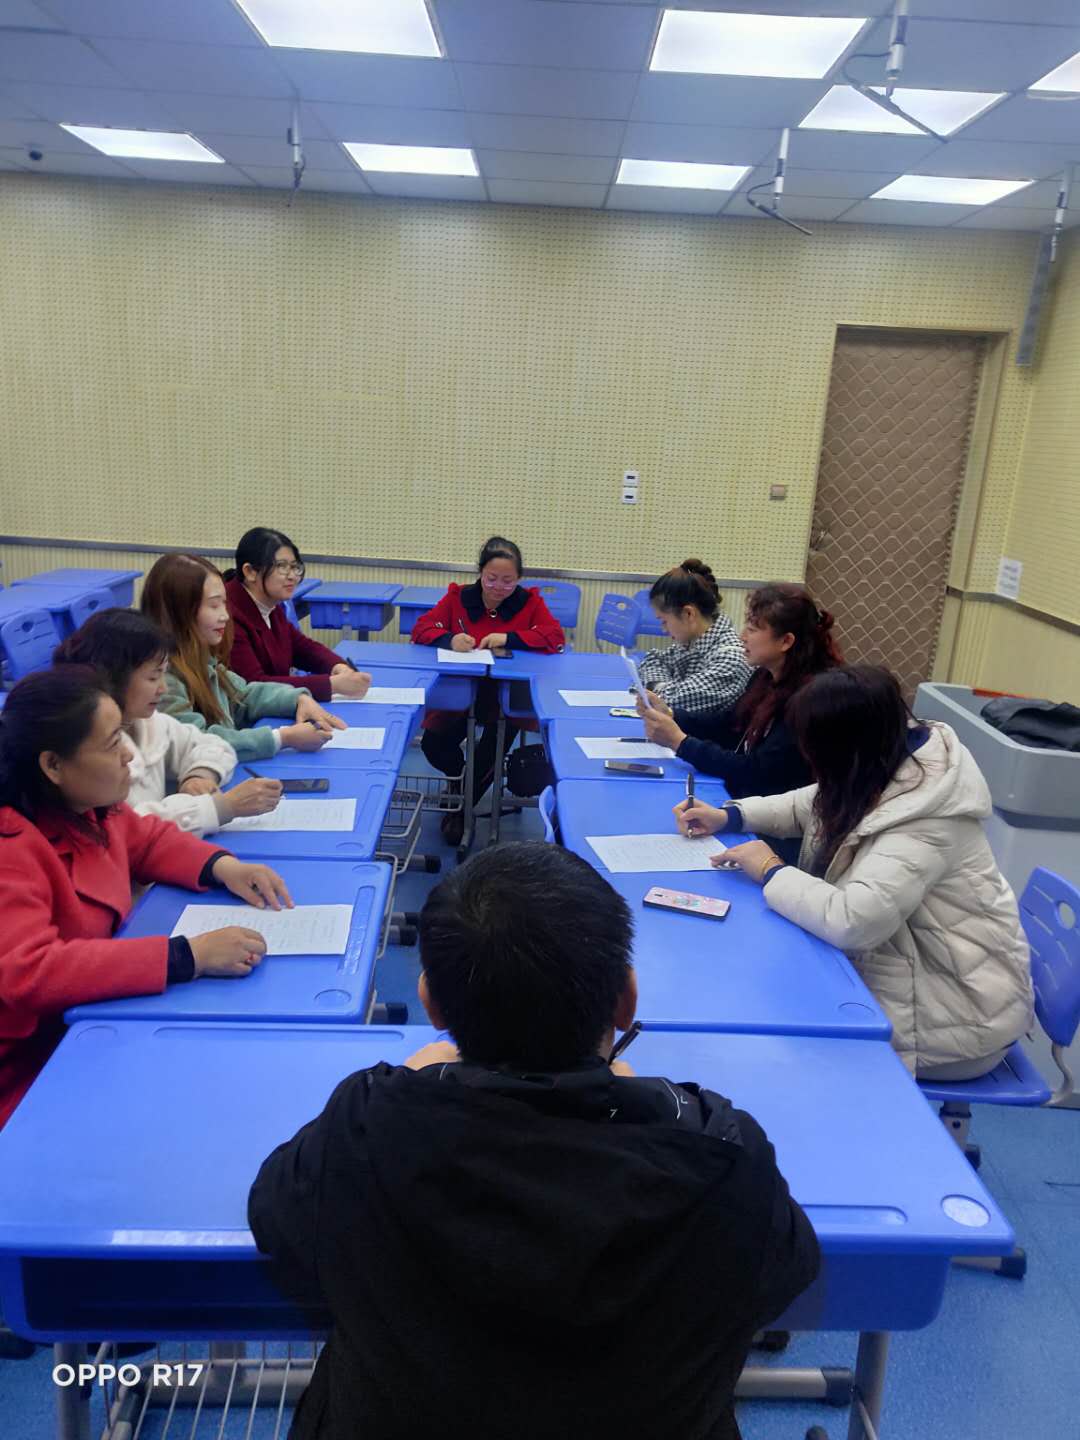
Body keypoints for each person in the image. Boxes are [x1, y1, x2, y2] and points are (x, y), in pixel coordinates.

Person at [249, 841, 819, 1440]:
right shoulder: (721, 1154)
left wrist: (407, 1081)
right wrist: (649, 1099)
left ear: (431, 1006)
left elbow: (280, 1224)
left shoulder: (367, 1129)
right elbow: (784, 1273)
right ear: (626, 1001)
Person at [673, 665, 1034, 1079]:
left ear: (847, 746)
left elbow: (852, 922)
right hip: (904, 977)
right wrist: (730, 816)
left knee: (764, 1034)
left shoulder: (928, 819)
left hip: (953, 1016)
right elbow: (810, 804)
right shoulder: (884, 762)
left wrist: (771, 869)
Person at [0, 667, 293, 1129]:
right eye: (112, 743)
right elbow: (31, 971)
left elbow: (149, 842)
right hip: (30, 1068)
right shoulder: (11, 847)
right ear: (53, 765)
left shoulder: (90, 808)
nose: (128, 755)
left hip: (90, 1028)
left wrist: (223, 867)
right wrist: (187, 957)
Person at [55, 608, 282, 836]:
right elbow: (128, 828)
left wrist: (200, 774)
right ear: (114, 676)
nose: (163, 688)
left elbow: (213, 745)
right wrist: (222, 808)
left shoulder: (146, 722)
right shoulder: (92, 747)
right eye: (153, 677)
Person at [411, 537, 564, 844]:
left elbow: (554, 637)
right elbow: (421, 629)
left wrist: (509, 638)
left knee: (489, 754)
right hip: (462, 692)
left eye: (508, 581)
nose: (498, 587)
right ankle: (458, 782)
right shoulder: (458, 598)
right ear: (480, 573)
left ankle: (462, 810)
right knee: (433, 745)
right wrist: (450, 639)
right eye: (491, 578)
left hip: (506, 697)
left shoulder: (530, 603)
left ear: (519, 579)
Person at [640, 583, 842, 798]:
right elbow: (731, 724)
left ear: (786, 641)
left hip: (772, 807)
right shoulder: (765, 675)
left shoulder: (810, 699)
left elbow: (756, 771)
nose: (742, 636)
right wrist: (671, 714)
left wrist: (680, 743)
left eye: (752, 630)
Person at [141, 553, 345, 763]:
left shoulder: (202, 659)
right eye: (214, 606)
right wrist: (281, 738)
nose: (225, 616)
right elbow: (196, 742)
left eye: (224, 604)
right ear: (179, 612)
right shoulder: (163, 678)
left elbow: (243, 695)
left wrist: (297, 699)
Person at [224, 527, 372, 702]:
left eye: (295, 567)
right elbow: (254, 685)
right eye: (281, 567)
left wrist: (338, 667)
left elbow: (300, 647)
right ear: (250, 572)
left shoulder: (270, 604)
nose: (293, 576)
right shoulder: (227, 615)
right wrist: (331, 685)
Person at [637, 560, 752, 717]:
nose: (663, 629)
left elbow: (670, 702)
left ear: (688, 614)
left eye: (664, 621)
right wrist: (663, 685)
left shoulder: (731, 660)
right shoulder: (693, 641)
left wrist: (655, 689)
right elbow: (654, 660)